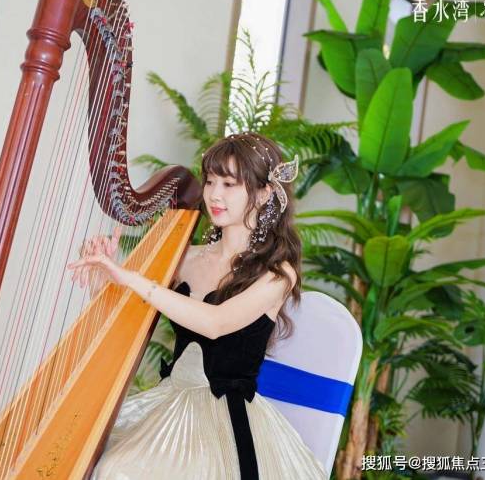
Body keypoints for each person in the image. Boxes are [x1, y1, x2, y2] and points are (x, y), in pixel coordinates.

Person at [67, 132, 328, 479]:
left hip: (225, 419)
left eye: (229, 184)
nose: (214, 194)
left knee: (121, 471)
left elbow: (215, 323)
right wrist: (102, 274)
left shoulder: (277, 274)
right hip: (169, 402)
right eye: (210, 181)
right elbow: (124, 314)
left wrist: (130, 278)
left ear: (264, 193)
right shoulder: (185, 257)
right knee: (100, 459)